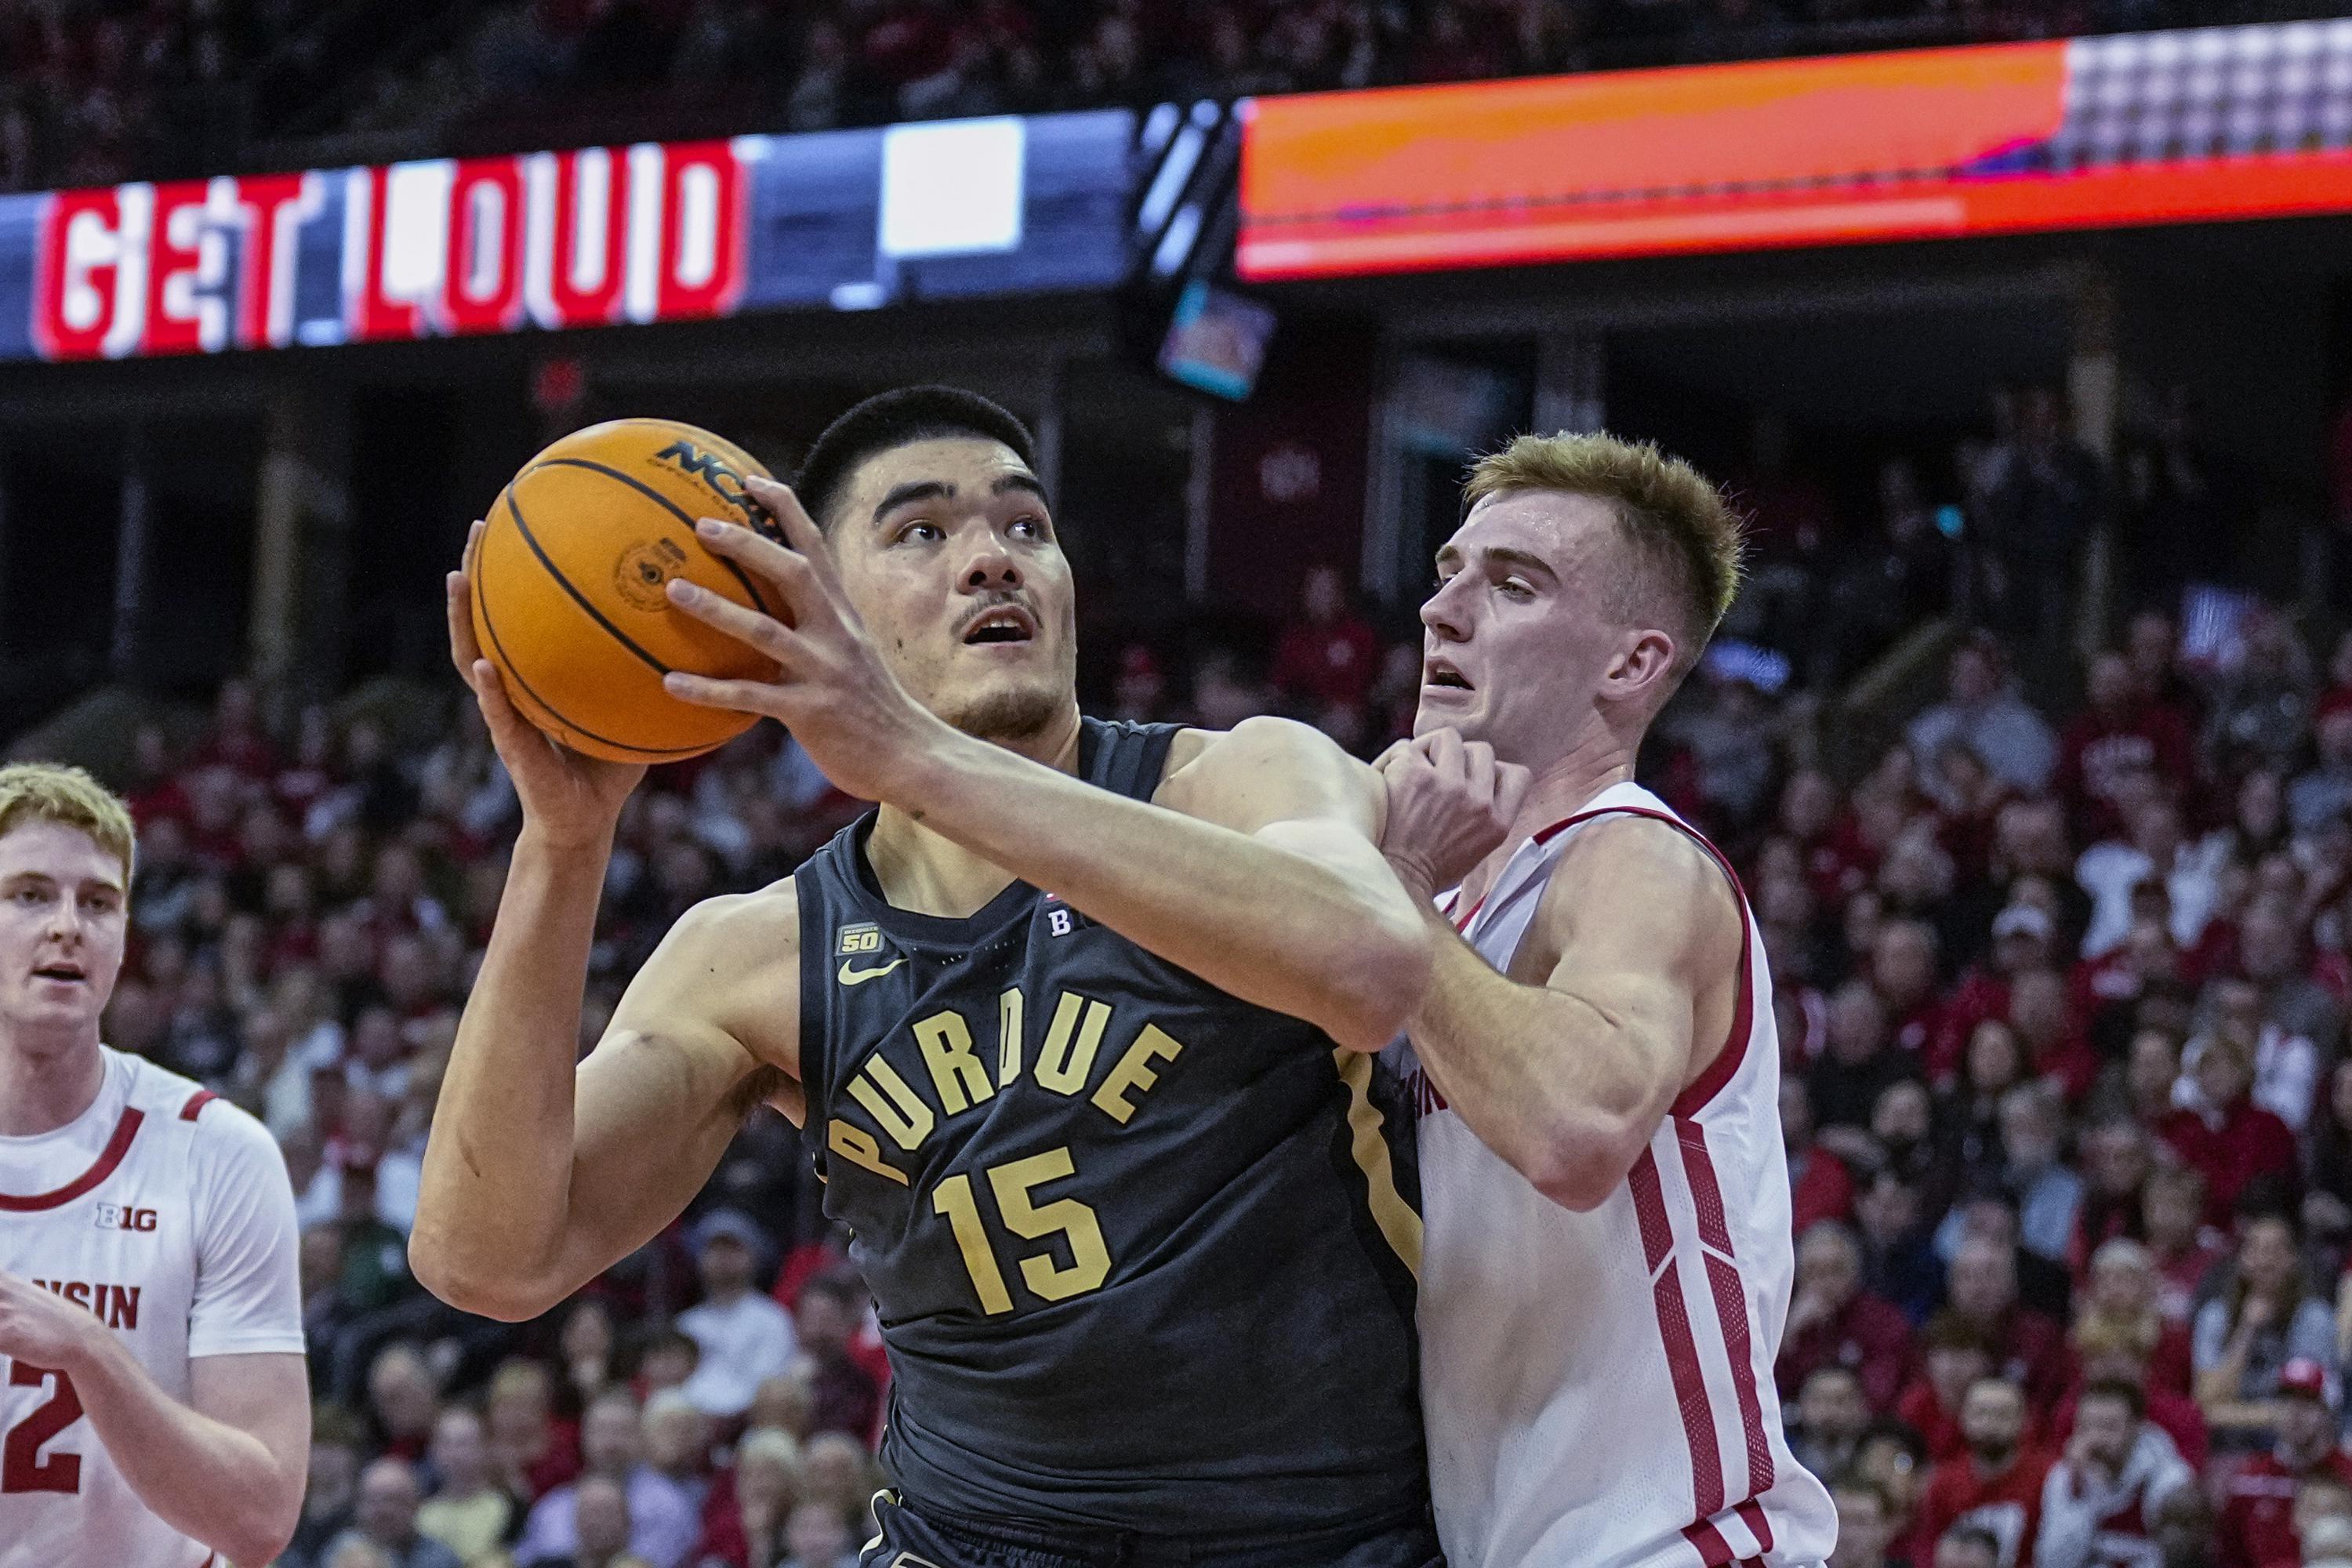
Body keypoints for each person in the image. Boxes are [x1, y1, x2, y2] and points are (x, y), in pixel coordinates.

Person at [415, 387, 1444, 1566]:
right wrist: (562, 848)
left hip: (1311, 1534)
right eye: (922, 533)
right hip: (967, 1540)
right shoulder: (757, 950)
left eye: (1024, 527)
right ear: (811, 610)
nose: (990, 562)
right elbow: (485, 1259)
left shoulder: (1239, 779)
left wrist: (913, 750)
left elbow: (1370, 964)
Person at [1370, 431, 1836, 1566]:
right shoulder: (1459, 917)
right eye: (1449, 571)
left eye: (1513, 584)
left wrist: (1393, 901)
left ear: (1630, 666)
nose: (1445, 610)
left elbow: (1575, 1133)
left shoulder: (1636, 864)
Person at [0, 762, 310, 1568]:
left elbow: (259, 1519)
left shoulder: (220, 1152)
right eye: (30, 894)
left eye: (97, 902)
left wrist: (91, 1351)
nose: (68, 925)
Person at [2192, 1214, 2337, 1454]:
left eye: (2274, 1251)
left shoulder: (2314, 1317)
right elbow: (2205, 1402)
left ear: (2292, 1260)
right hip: (2226, 1446)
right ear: (2242, 1260)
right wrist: (2247, 1329)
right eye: (2255, 1250)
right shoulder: (2215, 1315)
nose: (2264, 1261)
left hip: (2292, 1445)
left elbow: (2309, 1406)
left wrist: (2233, 1414)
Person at [515, 1388, 696, 1568]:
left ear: (642, 1438)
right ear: (583, 1438)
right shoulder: (553, 1507)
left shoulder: (667, 1505)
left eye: (622, 1431)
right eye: (601, 1430)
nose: (611, 1443)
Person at [2033, 1380, 2194, 1568]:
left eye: (2109, 1427)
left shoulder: (2171, 1478)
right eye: (2087, 1427)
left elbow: (2177, 1559)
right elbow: (2054, 1563)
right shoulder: (2065, 1477)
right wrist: (2080, 1492)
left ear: (2137, 1427)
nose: (2096, 1438)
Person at [2215, 1359, 2352, 1568]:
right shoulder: (2249, 1479)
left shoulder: (2347, 1474)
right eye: (2286, 1399)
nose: (2295, 1412)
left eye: (2307, 1400)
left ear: (2328, 1411)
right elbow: (2230, 1557)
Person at [1915, 1377, 2055, 1568]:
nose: (1990, 1424)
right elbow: (1929, 1549)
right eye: (1980, 1413)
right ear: (1963, 1418)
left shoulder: (2049, 1477)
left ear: (2024, 1421)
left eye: (2002, 1415)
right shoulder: (1944, 1482)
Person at [674, 1210, 797, 1421]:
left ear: (753, 1256)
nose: (723, 1258)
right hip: (693, 1421)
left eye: (733, 1249)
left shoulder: (772, 1319)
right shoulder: (687, 1323)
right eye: (714, 1249)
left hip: (749, 1421)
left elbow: (769, 1381)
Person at [415, 1403, 516, 1564]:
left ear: (484, 1447)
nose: (455, 1454)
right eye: (446, 1444)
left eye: (464, 1443)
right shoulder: (423, 1515)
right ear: (433, 1450)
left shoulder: (509, 1506)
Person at [329, 1457, 465, 1568]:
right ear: (359, 1506)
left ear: (415, 1506)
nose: (383, 1511)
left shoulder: (440, 1559)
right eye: (373, 1501)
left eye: (394, 1500)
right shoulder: (340, 1551)